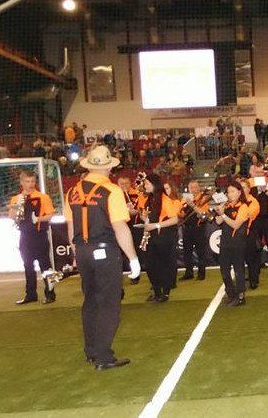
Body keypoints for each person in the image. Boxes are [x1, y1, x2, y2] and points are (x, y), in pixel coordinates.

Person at [63, 145, 140, 370]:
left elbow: (71, 226)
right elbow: (120, 228)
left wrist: (75, 252)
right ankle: (104, 356)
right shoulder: (112, 191)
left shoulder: (73, 191)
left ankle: (91, 350)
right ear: (108, 167)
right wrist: (133, 258)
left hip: (83, 250)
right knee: (109, 303)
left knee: (90, 301)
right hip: (105, 251)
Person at [8, 170, 56, 305]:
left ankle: (51, 294)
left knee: (46, 266)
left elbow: (50, 215)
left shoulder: (43, 197)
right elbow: (12, 216)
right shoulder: (16, 198)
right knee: (27, 266)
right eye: (27, 181)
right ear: (21, 182)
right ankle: (30, 295)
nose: (30, 184)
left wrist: (38, 219)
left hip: (40, 235)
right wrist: (16, 206)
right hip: (25, 236)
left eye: (33, 181)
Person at [138, 174, 181, 302]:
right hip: (152, 236)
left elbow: (175, 219)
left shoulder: (164, 199)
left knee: (164, 264)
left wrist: (156, 225)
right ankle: (157, 292)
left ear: (154, 184)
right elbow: (148, 219)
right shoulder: (150, 199)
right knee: (150, 265)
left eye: (147, 183)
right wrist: (144, 218)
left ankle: (165, 293)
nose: (145, 186)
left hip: (163, 237)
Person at [214, 177, 251, 306]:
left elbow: (236, 225)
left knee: (238, 269)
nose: (230, 194)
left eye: (233, 191)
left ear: (239, 192)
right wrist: (220, 212)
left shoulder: (244, 206)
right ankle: (231, 293)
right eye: (229, 192)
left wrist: (224, 215)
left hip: (237, 242)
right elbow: (218, 221)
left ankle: (240, 296)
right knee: (224, 270)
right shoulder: (227, 205)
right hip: (225, 242)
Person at [180, 180, 211, 281]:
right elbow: (181, 212)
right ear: (188, 189)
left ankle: (201, 273)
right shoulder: (185, 199)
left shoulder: (203, 199)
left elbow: (203, 214)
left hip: (199, 228)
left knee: (201, 251)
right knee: (187, 251)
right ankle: (188, 272)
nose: (193, 189)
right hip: (186, 228)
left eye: (195, 187)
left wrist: (193, 205)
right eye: (191, 187)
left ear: (199, 188)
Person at [117, 175, 143, 285]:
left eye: (126, 183)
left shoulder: (137, 194)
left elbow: (142, 208)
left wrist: (136, 211)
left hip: (135, 226)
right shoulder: (115, 195)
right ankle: (119, 276)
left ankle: (136, 274)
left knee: (135, 250)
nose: (124, 186)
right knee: (119, 252)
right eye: (121, 184)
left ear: (130, 183)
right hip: (120, 227)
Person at [239, 178, 262, 289]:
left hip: (250, 232)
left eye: (244, 187)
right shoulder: (237, 201)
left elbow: (248, 215)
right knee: (240, 258)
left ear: (249, 189)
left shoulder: (254, 202)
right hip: (239, 233)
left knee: (251, 258)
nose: (241, 189)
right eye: (240, 187)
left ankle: (254, 280)